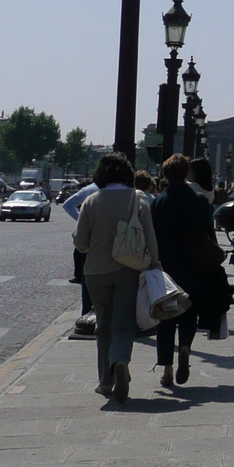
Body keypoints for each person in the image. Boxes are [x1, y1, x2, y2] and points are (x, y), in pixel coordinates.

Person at [74, 151, 160, 402]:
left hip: (96, 271)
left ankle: (105, 381)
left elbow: (80, 242)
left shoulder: (91, 200)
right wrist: (155, 263)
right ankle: (120, 360)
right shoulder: (138, 198)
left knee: (103, 325)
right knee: (123, 323)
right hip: (128, 268)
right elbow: (150, 235)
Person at [152, 154, 226, 390]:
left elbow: (152, 235)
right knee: (188, 313)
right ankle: (185, 347)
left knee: (166, 316)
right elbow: (209, 235)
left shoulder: (158, 202)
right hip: (193, 265)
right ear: (186, 173)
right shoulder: (199, 201)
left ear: (165, 175)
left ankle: (167, 370)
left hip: (166, 265)